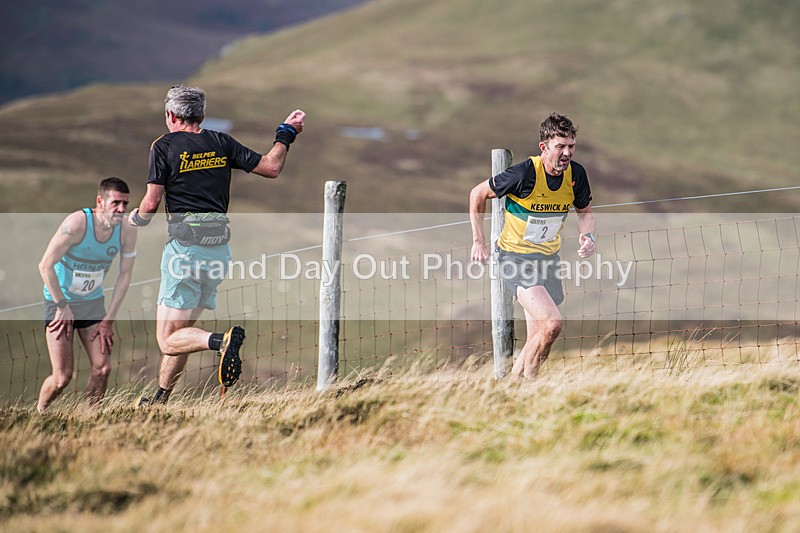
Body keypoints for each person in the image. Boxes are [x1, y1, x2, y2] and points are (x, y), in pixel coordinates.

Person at [130, 85, 305, 406]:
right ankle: (159, 399)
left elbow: (151, 202)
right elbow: (271, 167)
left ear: (170, 115)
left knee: (168, 340)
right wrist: (286, 134)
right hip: (218, 251)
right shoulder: (220, 141)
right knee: (183, 332)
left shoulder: (163, 146)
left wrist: (134, 221)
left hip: (184, 250)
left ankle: (221, 341)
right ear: (202, 115)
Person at [470, 112, 596, 378]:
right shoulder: (526, 172)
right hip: (516, 259)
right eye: (560, 146)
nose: (567, 153)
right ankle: (520, 385)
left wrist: (588, 236)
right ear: (544, 147)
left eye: (571, 145)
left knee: (538, 334)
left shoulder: (576, 174)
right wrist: (478, 241)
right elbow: (478, 193)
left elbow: (585, 211)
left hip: (548, 259)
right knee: (551, 325)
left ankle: (517, 388)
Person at [37, 177, 138, 412]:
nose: (121, 209)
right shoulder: (76, 224)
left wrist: (109, 318)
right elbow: (45, 265)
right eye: (116, 203)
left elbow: (125, 276)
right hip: (60, 301)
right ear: (100, 201)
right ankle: (40, 412)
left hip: (92, 303)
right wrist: (62, 306)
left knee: (102, 369)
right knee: (62, 377)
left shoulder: (127, 231)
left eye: (125, 204)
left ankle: (91, 418)